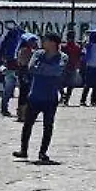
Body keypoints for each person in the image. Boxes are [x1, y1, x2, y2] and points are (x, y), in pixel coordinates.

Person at [17, 32, 65, 164]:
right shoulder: (38, 54)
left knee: (48, 126)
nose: (43, 43)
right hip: (35, 95)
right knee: (27, 124)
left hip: (50, 97)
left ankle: (43, 152)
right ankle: (23, 150)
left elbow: (58, 70)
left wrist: (42, 68)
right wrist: (48, 70)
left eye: (45, 40)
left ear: (53, 43)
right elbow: (31, 67)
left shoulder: (62, 57)